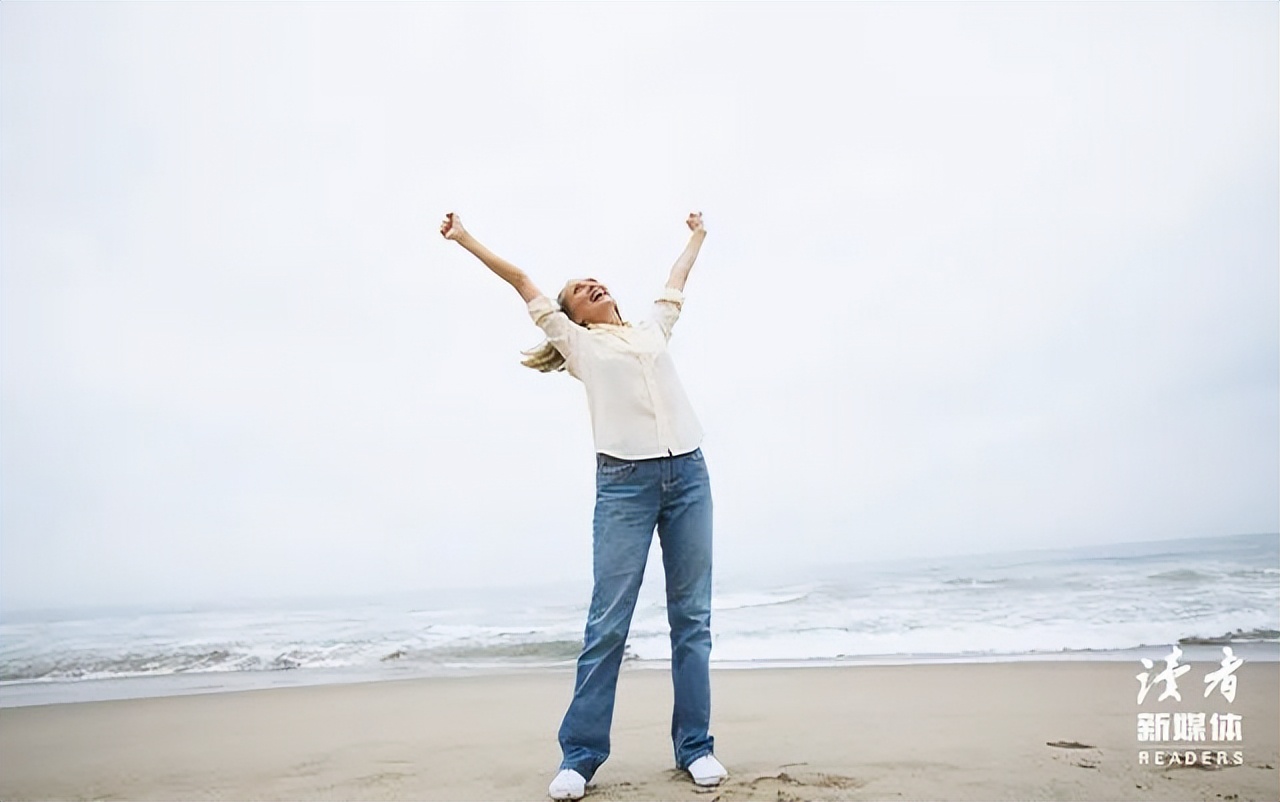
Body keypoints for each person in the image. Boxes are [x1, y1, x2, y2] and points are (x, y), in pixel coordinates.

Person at [439, 211, 728, 800]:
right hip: (624, 484)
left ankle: (695, 747)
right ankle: (581, 755)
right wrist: (464, 238)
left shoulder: (651, 330)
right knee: (608, 624)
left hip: (690, 474)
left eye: (593, 281)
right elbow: (521, 280)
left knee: (691, 621)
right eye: (576, 290)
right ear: (568, 316)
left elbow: (677, 278)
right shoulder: (576, 344)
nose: (589, 286)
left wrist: (696, 234)